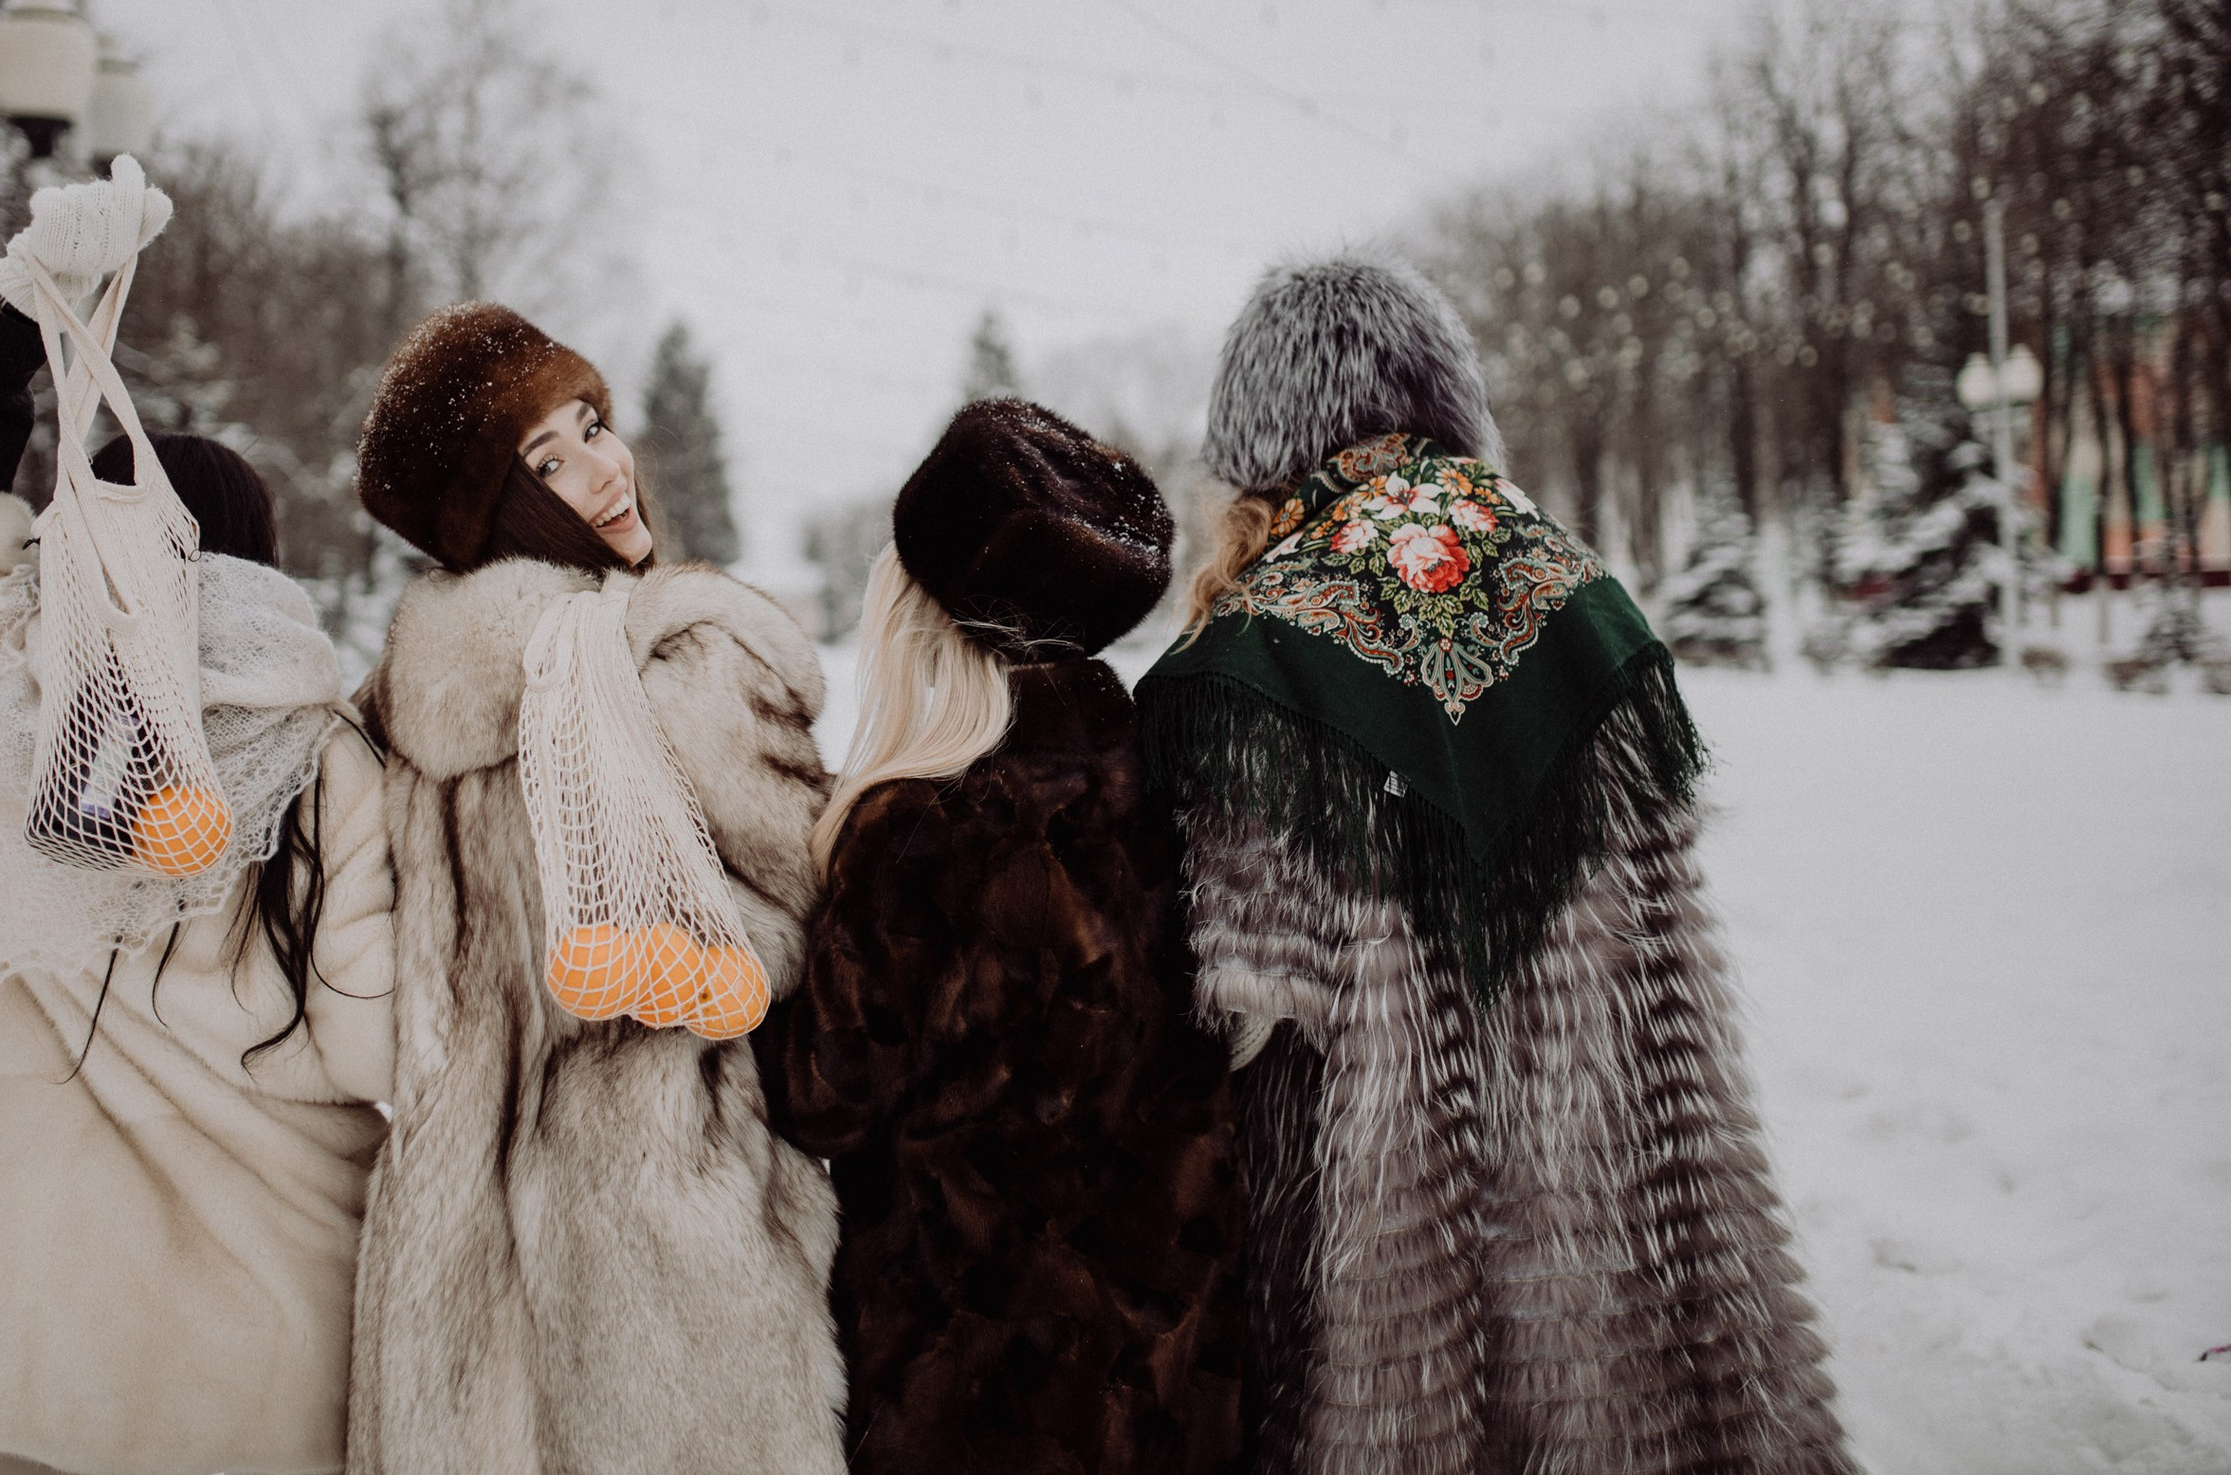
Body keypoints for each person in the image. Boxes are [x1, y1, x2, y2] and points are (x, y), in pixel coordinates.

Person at [1137, 251, 1856, 1475]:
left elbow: (1252, 1019)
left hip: (1390, 1293)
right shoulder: (1582, 600)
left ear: (1257, 440)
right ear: (1445, 399)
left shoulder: (1255, 659)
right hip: (1621, 1231)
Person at [0, 168, 397, 1475]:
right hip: (255, 1328)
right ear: (260, 560)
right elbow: (377, 1037)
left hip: (15, 1320)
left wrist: (8, 318)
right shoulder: (334, 759)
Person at [344, 301, 847, 1475]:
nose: (606, 469)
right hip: (671, 1265)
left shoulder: (408, 714)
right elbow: (831, 930)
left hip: (457, 1277)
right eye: (547, 461)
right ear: (488, 508)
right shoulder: (677, 667)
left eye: (593, 426)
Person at [759, 398, 1246, 1475]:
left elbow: (821, 1093)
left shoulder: (922, 833)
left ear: (927, 618)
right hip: (1167, 1390)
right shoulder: (1164, 791)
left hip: (977, 1401)